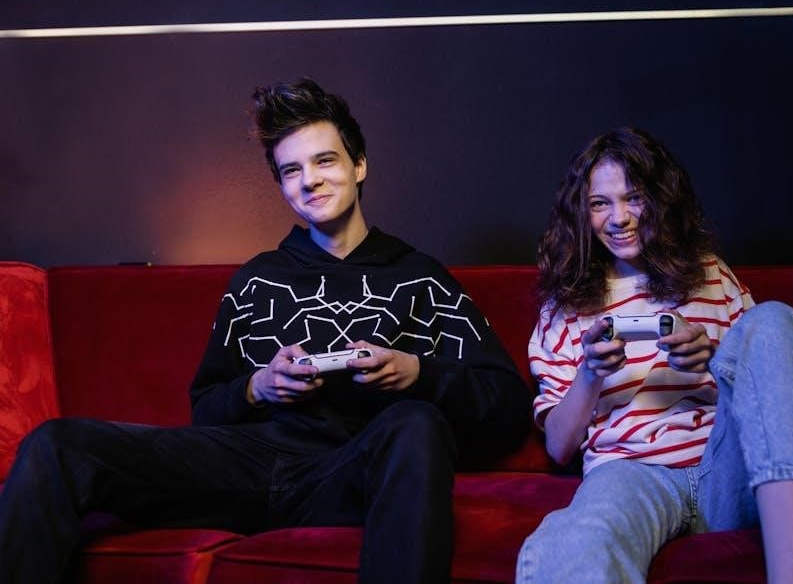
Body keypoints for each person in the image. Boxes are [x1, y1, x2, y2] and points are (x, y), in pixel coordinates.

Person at [0, 78, 531, 584]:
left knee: (415, 421)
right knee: (56, 444)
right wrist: (260, 386)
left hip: (347, 472)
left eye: (325, 160)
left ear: (359, 165)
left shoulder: (420, 277)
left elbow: (507, 407)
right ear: (281, 186)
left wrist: (417, 374)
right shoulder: (258, 278)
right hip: (245, 465)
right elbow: (206, 408)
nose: (310, 180)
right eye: (292, 170)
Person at [515, 127, 793, 584]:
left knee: (774, 320)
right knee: (569, 545)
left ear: (660, 198)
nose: (619, 218)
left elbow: (769, 383)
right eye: (600, 203)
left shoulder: (711, 274)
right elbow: (559, 447)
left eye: (634, 198)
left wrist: (710, 359)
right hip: (630, 475)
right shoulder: (564, 307)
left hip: (727, 469)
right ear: (581, 212)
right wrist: (590, 373)